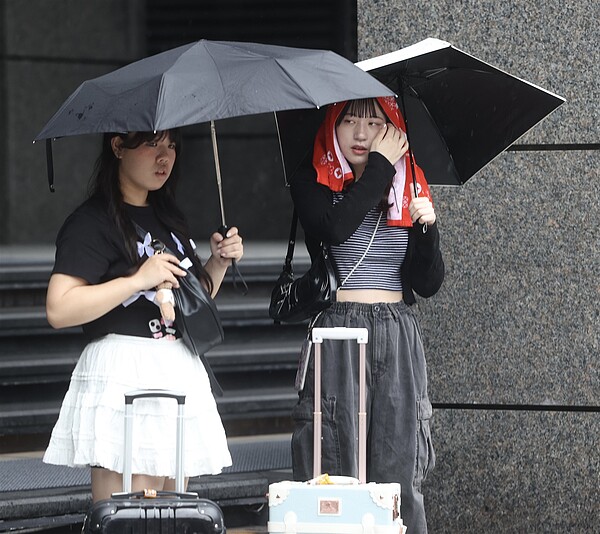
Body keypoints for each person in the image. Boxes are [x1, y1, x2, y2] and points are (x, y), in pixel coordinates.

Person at [43, 129, 244, 502]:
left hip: (176, 366)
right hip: (127, 371)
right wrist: (136, 279)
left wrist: (218, 262)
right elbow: (59, 308)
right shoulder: (92, 222)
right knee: (129, 513)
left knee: (174, 511)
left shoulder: (167, 215)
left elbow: (189, 301)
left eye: (171, 146)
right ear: (118, 146)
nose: (164, 156)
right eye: (152, 144)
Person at [289, 96, 444, 533]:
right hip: (338, 327)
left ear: (393, 128)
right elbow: (335, 227)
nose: (360, 133)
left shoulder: (410, 185)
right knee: (333, 458)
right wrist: (379, 165)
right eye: (349, 121)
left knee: (401, 460)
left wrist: (427, 230)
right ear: (331, 128)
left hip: (397, 330)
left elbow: (428, 283)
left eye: (374, 122)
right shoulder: (313, 180)